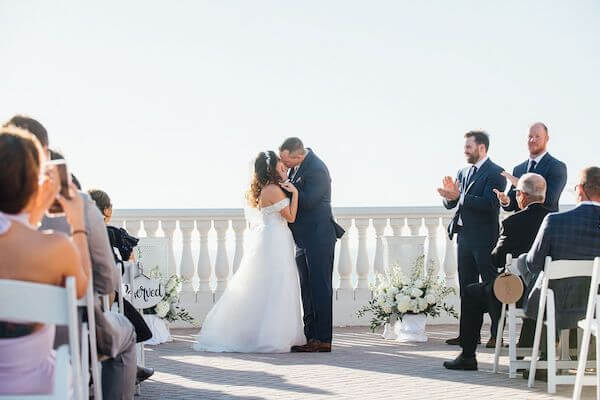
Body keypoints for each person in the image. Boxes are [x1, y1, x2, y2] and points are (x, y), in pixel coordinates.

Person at [9, 115, 137, 399]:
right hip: (67, 345)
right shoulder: (72, 220)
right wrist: (77, 224)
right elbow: (104, 284)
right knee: (124, 333)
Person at [0, 126, 90, 395]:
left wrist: (33, 208)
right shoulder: (56, 249)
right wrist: (78, 225)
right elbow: (82, 291)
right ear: (33, 185)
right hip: (39, 386)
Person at [193, 151, 306, 352]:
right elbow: (290, 217)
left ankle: (265, 332)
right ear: (272, 168)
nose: (284, 169)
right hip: (276, 239)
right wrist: (295, 194)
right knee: (278, 285)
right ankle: (273, 335)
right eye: (281, 166)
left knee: (268, 284)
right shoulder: (273, 190)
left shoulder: (264, 189)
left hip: (270, 238)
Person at [443, 173, 550, 370]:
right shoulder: (554, 221)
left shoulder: (513, 222)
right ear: (543, 195)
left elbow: (497, 259)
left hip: (515, 294)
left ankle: (467, 356)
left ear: (521, 195)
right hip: (548, 294)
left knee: (471, 292)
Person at [438, 131, 506, 348]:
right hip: (464, 238)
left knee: (491, 286)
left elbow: (489, 205)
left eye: (469, 146)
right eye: (464, 146)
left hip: (486, 239)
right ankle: (468, 334)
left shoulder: (496, 173)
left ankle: (496, 335)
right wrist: (449, 196)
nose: (465, 150)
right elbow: (455, 203)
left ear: (482, 148)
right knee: (466, 286)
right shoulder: (463, 171)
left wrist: (460, 197)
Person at [279, 138, 345, 353]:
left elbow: (309, 201)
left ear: (298, 155)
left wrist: (291, 190)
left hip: (318, 237)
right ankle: (311, 336)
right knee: (306, 289)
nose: (284, 163)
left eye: (286, 159)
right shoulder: (296, 167)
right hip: (302, 239)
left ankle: (323, 339)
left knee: (320, 288)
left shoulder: (317, 169)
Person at [88, 189, 155, 348]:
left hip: (89, 294)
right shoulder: (115, 234)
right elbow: (132, 266)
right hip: (109, 295)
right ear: (106, 210)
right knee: (136, 324)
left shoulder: (83, 233)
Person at [496, 122, 567, 212]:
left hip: (543, 223)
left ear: (547, 139)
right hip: (520, 223)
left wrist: (521, 185)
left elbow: (549, 199)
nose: (533, 140)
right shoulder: (518, 169)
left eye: (537, 136)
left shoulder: (557, 167)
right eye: (530, 136)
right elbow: (513, 204)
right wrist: (506, 201)